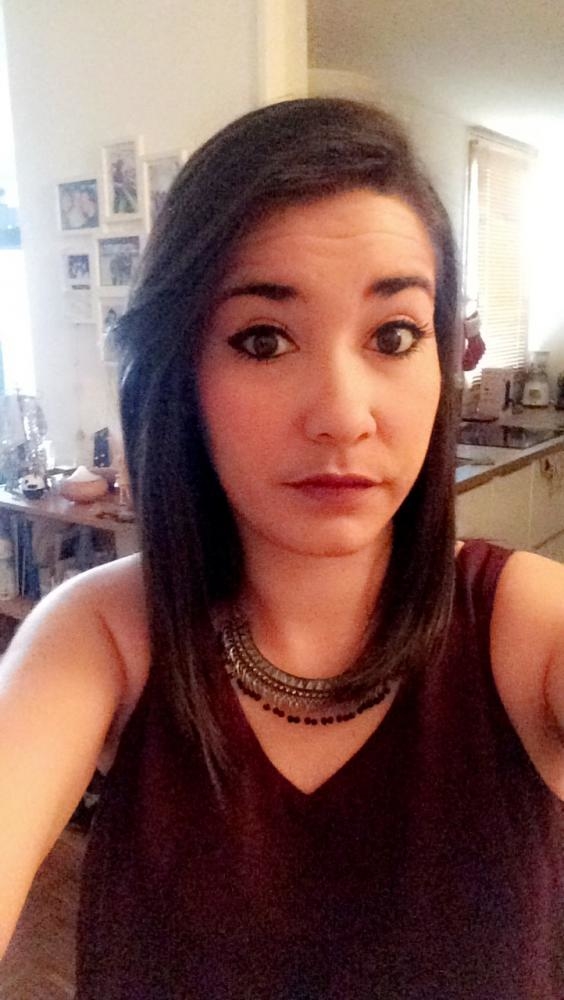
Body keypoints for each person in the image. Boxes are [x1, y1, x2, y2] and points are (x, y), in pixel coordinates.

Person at [0, 98, 562, 998]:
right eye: (263, 339)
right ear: (183, 372)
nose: (342, 415)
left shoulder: (527, 627)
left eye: (394, 335)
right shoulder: (101, 637)